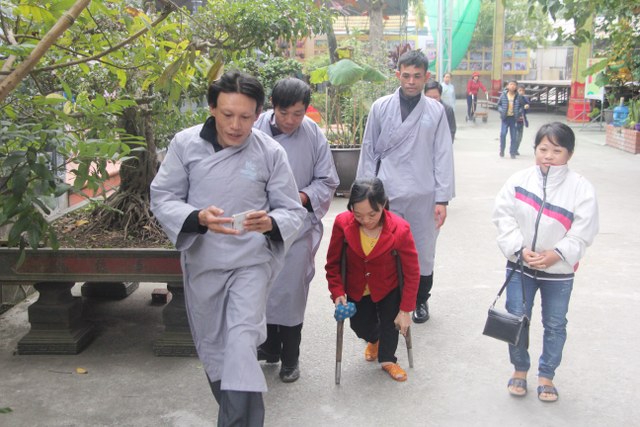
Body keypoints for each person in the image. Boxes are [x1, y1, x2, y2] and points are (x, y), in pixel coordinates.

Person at [150, 71, 306, 426]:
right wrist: (197, 217)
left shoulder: (270, 152)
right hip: (204, 263)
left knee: (240, 342)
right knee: (217, 349)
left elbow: (292, 210)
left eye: (246, 117)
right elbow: (162, 197)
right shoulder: (185, 145)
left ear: (259, 113)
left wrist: (271, 222)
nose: (236, 126)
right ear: (211, 109)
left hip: (250, 264)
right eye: (227, 115)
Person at [492, 122, 599, 403]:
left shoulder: (581, 189)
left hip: (559, 271)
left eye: (557, 150)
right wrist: (519, 248)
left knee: (555, 324)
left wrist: (557, 254)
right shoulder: (518, 181)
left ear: (569, 153)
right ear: (535, 149)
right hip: (520, 266)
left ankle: (546, 375)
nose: (548, 155)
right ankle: (519, 369)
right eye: (543, 149)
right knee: (517, 317)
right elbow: (503, 217)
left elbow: (584, 231)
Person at [356, 50, 455, 324]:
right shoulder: (380, 107)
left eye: (417, 76)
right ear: (397, 74)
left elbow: (443, 154)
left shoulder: (436, 111)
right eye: (406, 75)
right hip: (386, 192)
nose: (411, 81)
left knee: (422, 249)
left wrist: (442, 199)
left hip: (424, 194)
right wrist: (363, 193)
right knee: (383, 249)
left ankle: (420, 300)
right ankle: (386, 302)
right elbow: (368, 149)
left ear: (426, 76)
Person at [253, 77, 339, 383]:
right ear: (272, 106)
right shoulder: (253, 130)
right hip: (258, 226)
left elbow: (327, 180)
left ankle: (290, 357)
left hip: (297, 228)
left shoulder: (313, 133)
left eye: (298, 114)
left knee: (290, 294)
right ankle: (269, 347)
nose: (290, 121)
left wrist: (301, 197)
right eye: (284, 113)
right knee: (260, 290)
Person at [326, 178, 419, 381]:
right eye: (358, 215)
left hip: (388, 286)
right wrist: (337, 291)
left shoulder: (400, 229)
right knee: (360, 325)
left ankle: (388, 360)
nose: (366, 220)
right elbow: (333, 263)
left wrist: (405, 310)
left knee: (390, 325)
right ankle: (374, 340)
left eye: (372, 214)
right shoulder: (342, 223)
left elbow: (412, 272)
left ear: (383, 204)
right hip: (357, 287)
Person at [497, 80, 525, 159]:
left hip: (514, 119)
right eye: (511, 84)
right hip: (505, 118)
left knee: (514, 136)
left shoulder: (518, 96)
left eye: (514, 85)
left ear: (516, 87)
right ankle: (502, 150)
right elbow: (498, 105)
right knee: (503, 134)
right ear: (507, 86)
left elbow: (522, 106)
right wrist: (501, 111)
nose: (512, 86)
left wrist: (518, 113)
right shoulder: (503, 95)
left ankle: (512, 152)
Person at [514, 84, 530, 155]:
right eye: (520, 90)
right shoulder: (514, 99)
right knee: (515, 136)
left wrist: (527, 107)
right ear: (517, 91)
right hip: (514, 120)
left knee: (520, 136)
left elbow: (527, 111)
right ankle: (513, 149)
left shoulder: (525, 99)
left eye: (523, 91)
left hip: (521, 120)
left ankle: (516, 149)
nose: (521, 92)